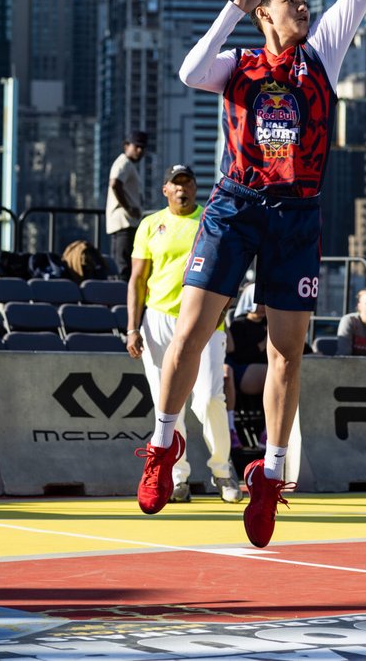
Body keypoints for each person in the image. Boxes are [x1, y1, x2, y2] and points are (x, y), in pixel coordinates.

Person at [136, 0, 366, 548]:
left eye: (307, 2)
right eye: (292, 2)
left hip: (296, 214)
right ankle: (163, 443)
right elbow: (189, 70)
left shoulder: (324, 54)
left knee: (289, 352)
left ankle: (272, 473)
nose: (305, 8)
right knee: (192, 331)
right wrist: (234, 7)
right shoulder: (238, 63)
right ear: (266, 12)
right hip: (234, 205)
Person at [126, 164, 240, 504]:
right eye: (175, 184)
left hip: (204, 319)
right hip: (158, 319)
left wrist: (222, 311)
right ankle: (177, 478)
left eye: (187, 183)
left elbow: (230, 268)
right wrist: (132, 327)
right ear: (165, 190)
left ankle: (222, 470)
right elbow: (137, 279)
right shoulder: (150, 224)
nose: (182, 189)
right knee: (166, 403)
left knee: (209, 398)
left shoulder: (210, 220)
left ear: (195, 188)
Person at [107, 131, 148, 265]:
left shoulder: (128, 164)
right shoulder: (123, 162)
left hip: (127, 222)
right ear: (126, 146)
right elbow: (115, 184)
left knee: (125, 263)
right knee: (123, 265)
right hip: (124, 222)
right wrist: (128, 208)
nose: (140, 150)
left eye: (142, 147)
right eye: (136, 146)